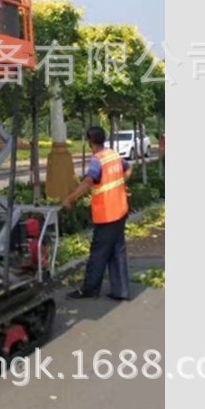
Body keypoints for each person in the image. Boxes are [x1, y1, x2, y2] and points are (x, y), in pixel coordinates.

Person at [61, 126, 133, 301]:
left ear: (90, 142)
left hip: (107, 215)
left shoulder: (97, 160)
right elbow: (129, 168)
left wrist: (70, 199)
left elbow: (88, 182)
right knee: (117, 250)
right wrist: (121, 184)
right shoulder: (113, 155)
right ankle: (121, 291)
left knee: (98, 253)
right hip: (120, 211)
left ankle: (89, 289)